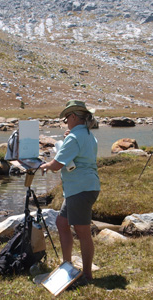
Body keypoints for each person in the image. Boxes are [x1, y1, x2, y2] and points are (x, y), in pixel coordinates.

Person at [39, 100, 100, 284]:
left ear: (73, 117)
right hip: (82, 187)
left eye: (66, 118)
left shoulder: (74, 137)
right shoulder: (87, 134)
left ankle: (87, 275)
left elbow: (57, 164)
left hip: (80, 188)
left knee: (83, 232)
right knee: (62, 222)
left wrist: (45, 166)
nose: (66, 122)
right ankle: (66, 265)